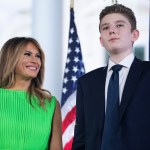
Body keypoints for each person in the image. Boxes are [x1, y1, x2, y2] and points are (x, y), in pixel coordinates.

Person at [72, 4, 150, 150]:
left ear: (135, 34)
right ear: (101, 40)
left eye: (119, 25)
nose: (112, 30)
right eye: (105, 28)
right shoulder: (86, 82)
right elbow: (81, 136)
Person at [0, 37, 63, 150]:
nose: (35, 61)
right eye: (27, 54)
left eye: (38, 56)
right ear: (10, 58)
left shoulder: (50, 104)